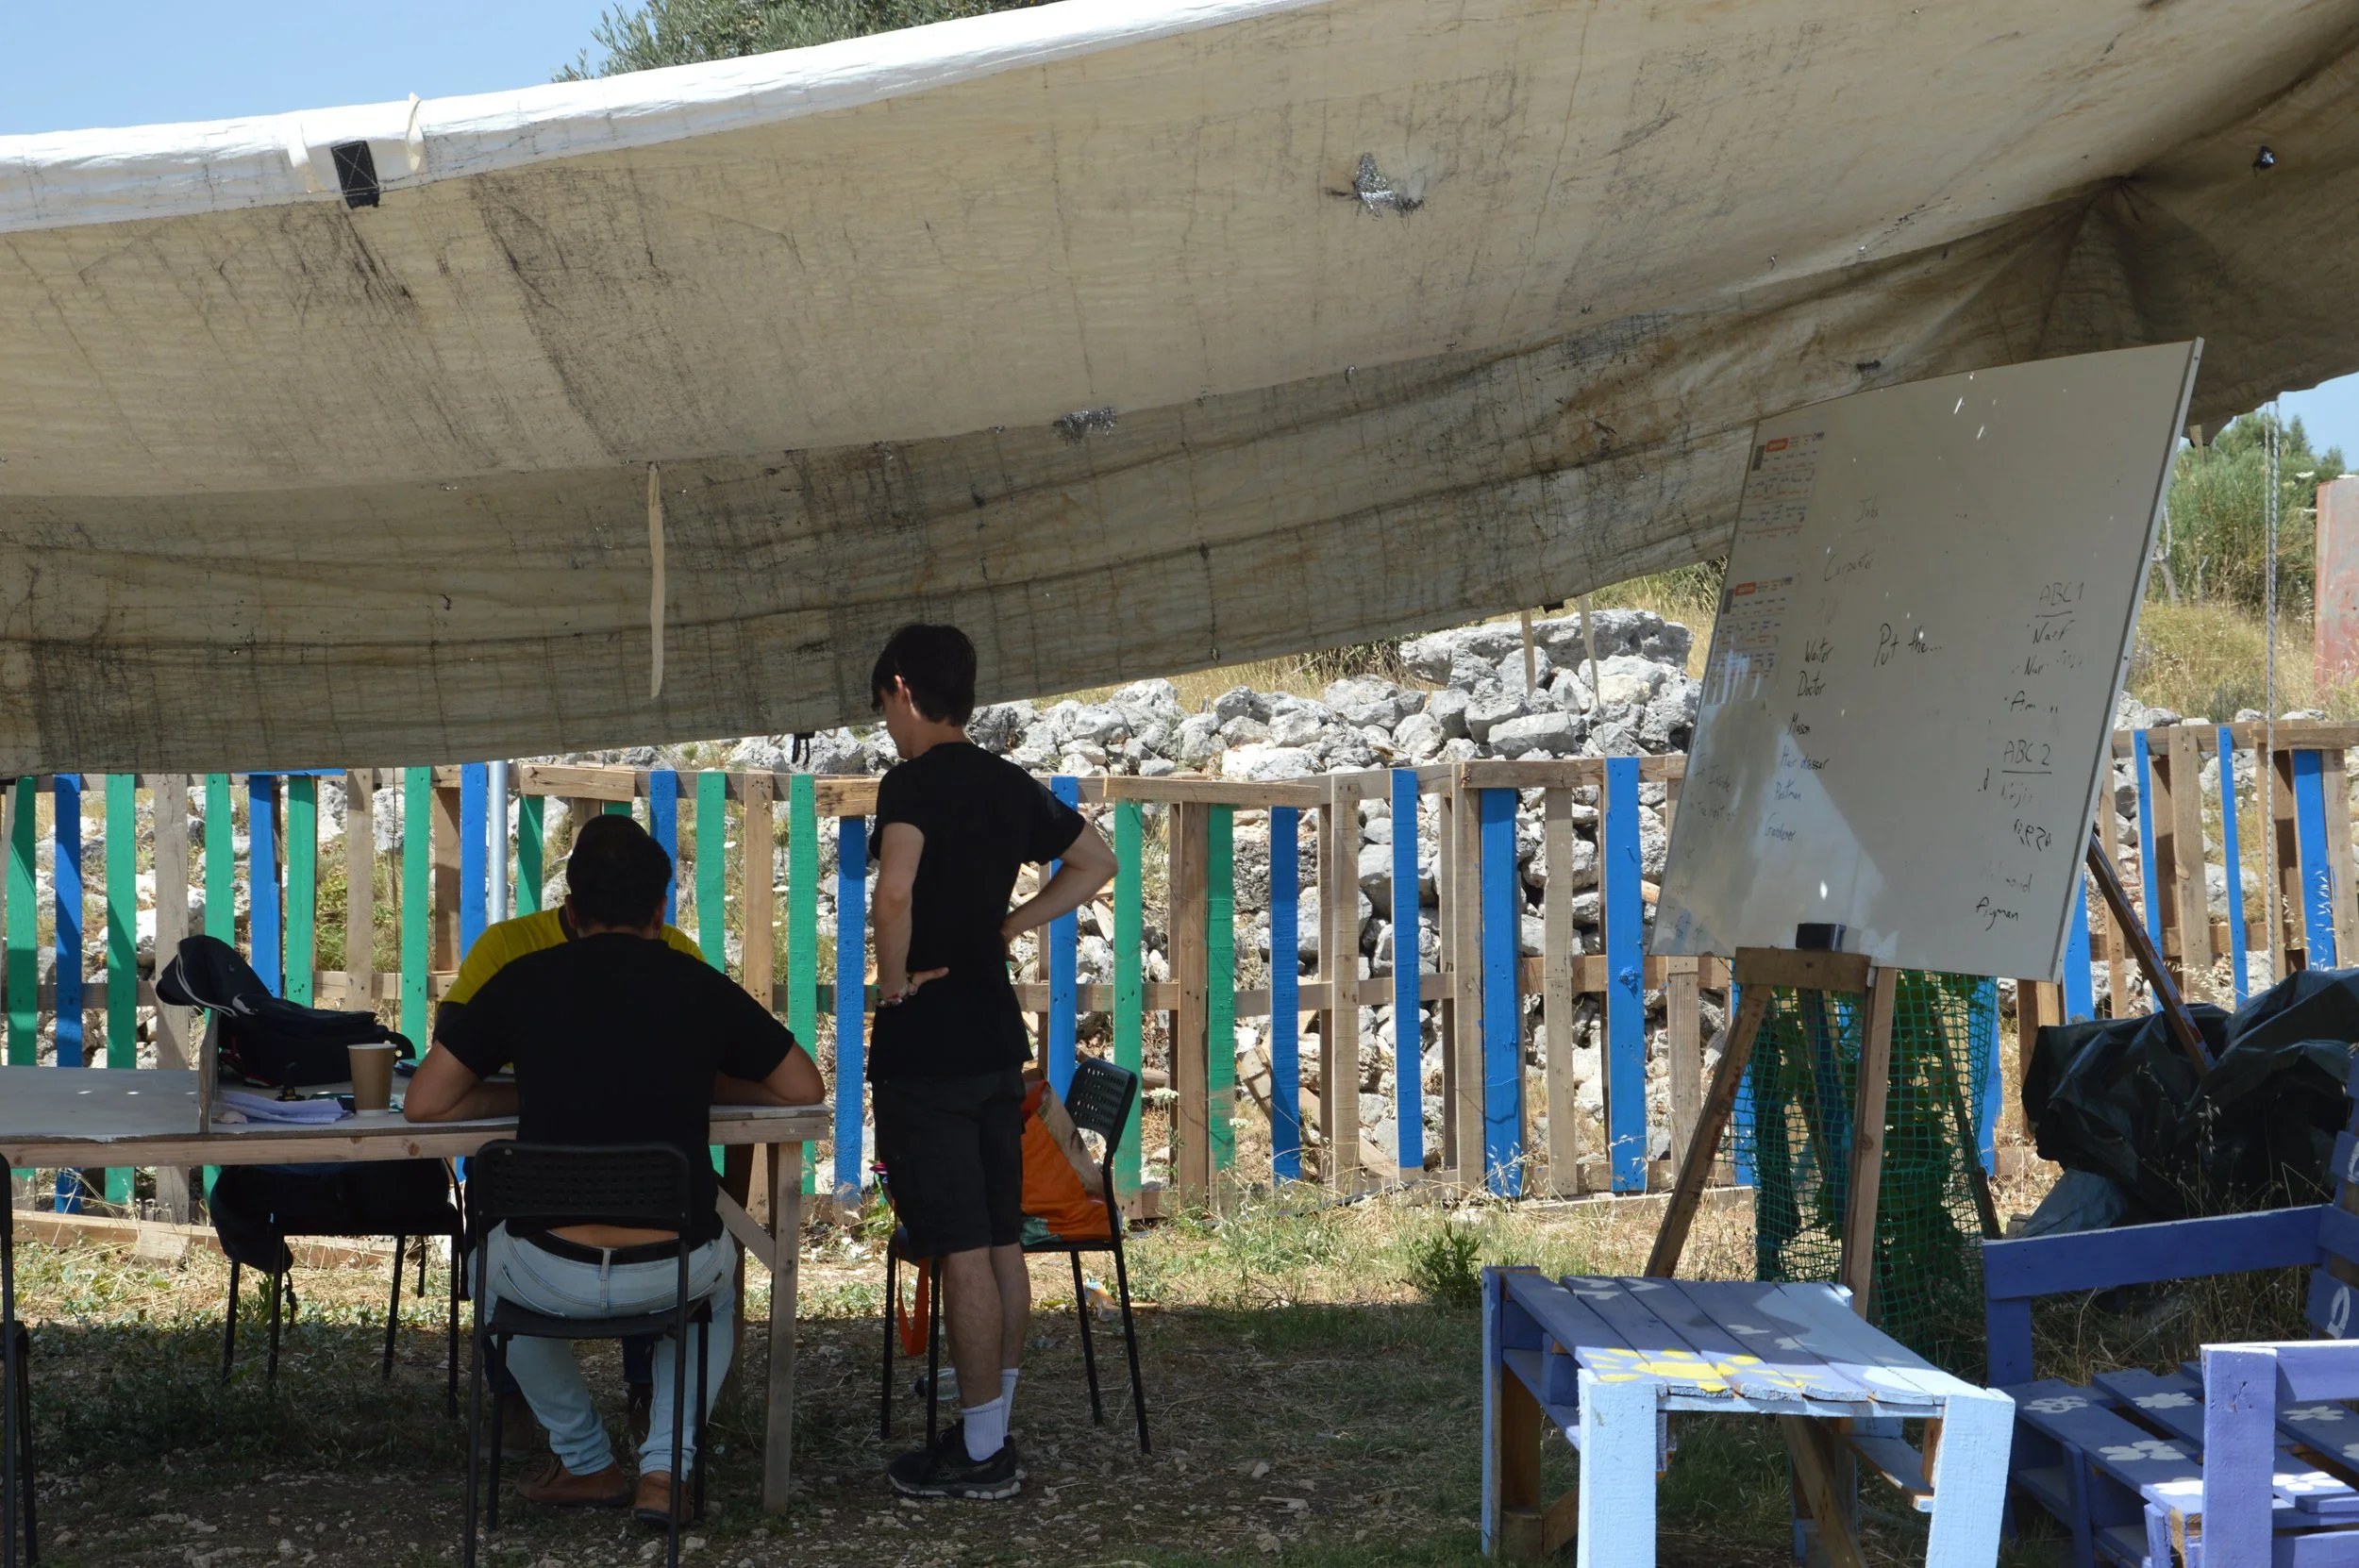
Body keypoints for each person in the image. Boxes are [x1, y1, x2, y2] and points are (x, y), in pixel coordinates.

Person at [405, 816, 823, 1523]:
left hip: (544, 1267)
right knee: (718, 1291)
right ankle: (664, 1473)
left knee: (484, 1270)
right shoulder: (696, 983)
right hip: (672, 1266)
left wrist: (528, 1083)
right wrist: (690, 1078)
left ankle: (587, 1461)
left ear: (570, 910)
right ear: (662, 911)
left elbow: (424, 1104)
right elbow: (803, 1088)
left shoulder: (519, 978)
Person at [867, 624, 1118, 1500]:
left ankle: (979, 1458)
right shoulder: (1008, 783)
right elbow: (1097, 861)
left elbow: (894, 889)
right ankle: (989, 1429)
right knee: (1000, 1237)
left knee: (961, 1249)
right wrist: (1009, 926)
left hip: (927, 1043)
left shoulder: (909, 783)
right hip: (993, 1041)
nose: (888, 729)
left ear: (902, 690)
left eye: (885, 711)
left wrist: (892, 981)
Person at [434, 811, 710, 1455]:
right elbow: (456, 1028)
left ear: (574, 899)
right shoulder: (512, 946)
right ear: (658, 907)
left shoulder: (530, 964)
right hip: (646, 1204)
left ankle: (608, 1425)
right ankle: (542, 1409)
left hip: (544, 1214)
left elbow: (438, 1078)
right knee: (692, 1246)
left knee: (495, 1249)